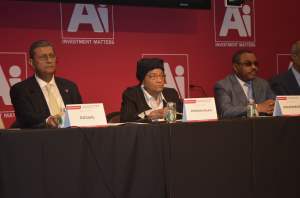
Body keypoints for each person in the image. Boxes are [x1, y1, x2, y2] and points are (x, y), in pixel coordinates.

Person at [10, 40, 82, 128]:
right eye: (43, 57)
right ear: (31, 62)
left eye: (52, 56)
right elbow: (26, 120)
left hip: (72, 138)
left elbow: (80, 117)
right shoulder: (21, 90)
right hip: (41, 139)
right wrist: (48, 122)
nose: (49, 60)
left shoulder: (70, 87)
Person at [214, 50, 275, 118]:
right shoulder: (223, 86)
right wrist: (256, 108)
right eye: (248, 64)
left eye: (255, 64)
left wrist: (272, 105)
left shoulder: (263, 84)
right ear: (235, 67)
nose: (254, 67)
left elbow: (274, 104)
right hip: (237, 127)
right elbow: (225, 112)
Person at [120, 58, 182, 122]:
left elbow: (183, 115)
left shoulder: (171, 93)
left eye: (162, 76)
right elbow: (126, 119)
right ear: (142, 79)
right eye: (153, 76)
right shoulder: (132, 94)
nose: (159, 80)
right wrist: (148, 117)